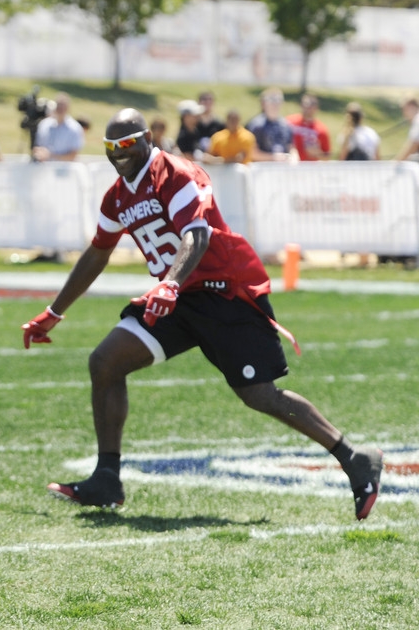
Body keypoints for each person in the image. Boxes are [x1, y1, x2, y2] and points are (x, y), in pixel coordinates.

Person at [21, 108, 384, 522]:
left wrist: (171, 282)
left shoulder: (175, 173)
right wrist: (54, 311)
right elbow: (98, 252)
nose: (118, 154)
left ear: (146, 141)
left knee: (259, 394)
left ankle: (355, 458)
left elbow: (197, 233)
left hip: (218, 291)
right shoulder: (118, 195)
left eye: (125, 145)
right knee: (105, 361)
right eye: (111, 148)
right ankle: (107, 478)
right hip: (176, 298)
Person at [32, 92, 85, 162]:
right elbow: (37, 146)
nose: (60, 109)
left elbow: (73, 155)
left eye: (63, 106)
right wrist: (40, 153)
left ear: (68, 108)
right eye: (59, 105)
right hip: (44, 168)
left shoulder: (75, 128)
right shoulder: (44, 124)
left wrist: (51, 156)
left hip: (65, 169)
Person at [246, 87, 294, 162]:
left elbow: (291, 148)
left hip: (283, 168)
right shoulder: (256, 125)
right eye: (271, 100)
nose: (275, 104)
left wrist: (293, 158)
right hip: (262, 169)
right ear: (263, 103)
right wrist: (273, 157)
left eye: (278, 100)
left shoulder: (286, 125)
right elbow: (252, 153)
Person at [286, 93, 331, 161]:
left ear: (316, 108)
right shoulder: (289, 122)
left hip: (310, 168)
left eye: (312, 106)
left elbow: (327, 156)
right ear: (301, 105)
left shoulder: (321, 129)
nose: (308, 109)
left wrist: (318, 153)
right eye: (306, 105)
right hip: (290, 164)